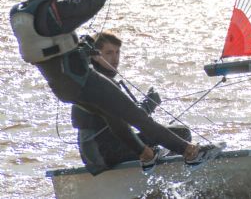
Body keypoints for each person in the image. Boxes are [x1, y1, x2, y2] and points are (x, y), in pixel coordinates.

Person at [9, 0, 222, 173]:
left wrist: (79, 48)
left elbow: (50, 47)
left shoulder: (21, 12)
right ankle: (190, 152)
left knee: (112, 115)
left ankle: (145, 154)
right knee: (135, 115)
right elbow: (94, 0)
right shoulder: (54, 10)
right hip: (82, 79)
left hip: (63, 88)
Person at [72, 31, 192, 174]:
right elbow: (130, 118)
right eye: (109, 53)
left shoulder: (91, 79)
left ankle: (162, 174)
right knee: (182, 133)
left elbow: (121, 119)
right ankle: (171, 178)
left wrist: (146, 106)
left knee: (165, 140)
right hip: (104, 153)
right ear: (96, 56)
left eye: (117, 52)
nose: (115, 58)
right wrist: (149, 104)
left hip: (96, 152)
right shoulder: (101, 83)